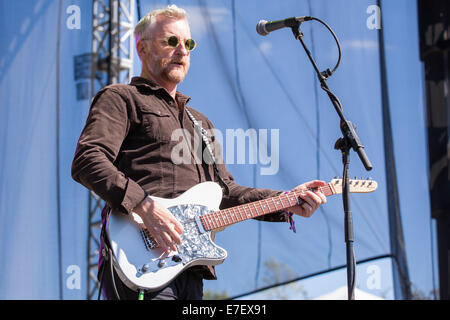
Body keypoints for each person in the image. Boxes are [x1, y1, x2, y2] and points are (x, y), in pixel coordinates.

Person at [71, 4, 327, 300]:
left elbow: (226, 193)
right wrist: (145, 207)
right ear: (141, 49)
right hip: (140, 262)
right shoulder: (121, 98)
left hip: (190, 268)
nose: (182, 50)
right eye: (171, 41)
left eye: (188, 43)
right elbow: (88, 160)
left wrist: (284, 201)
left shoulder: (200, 122)